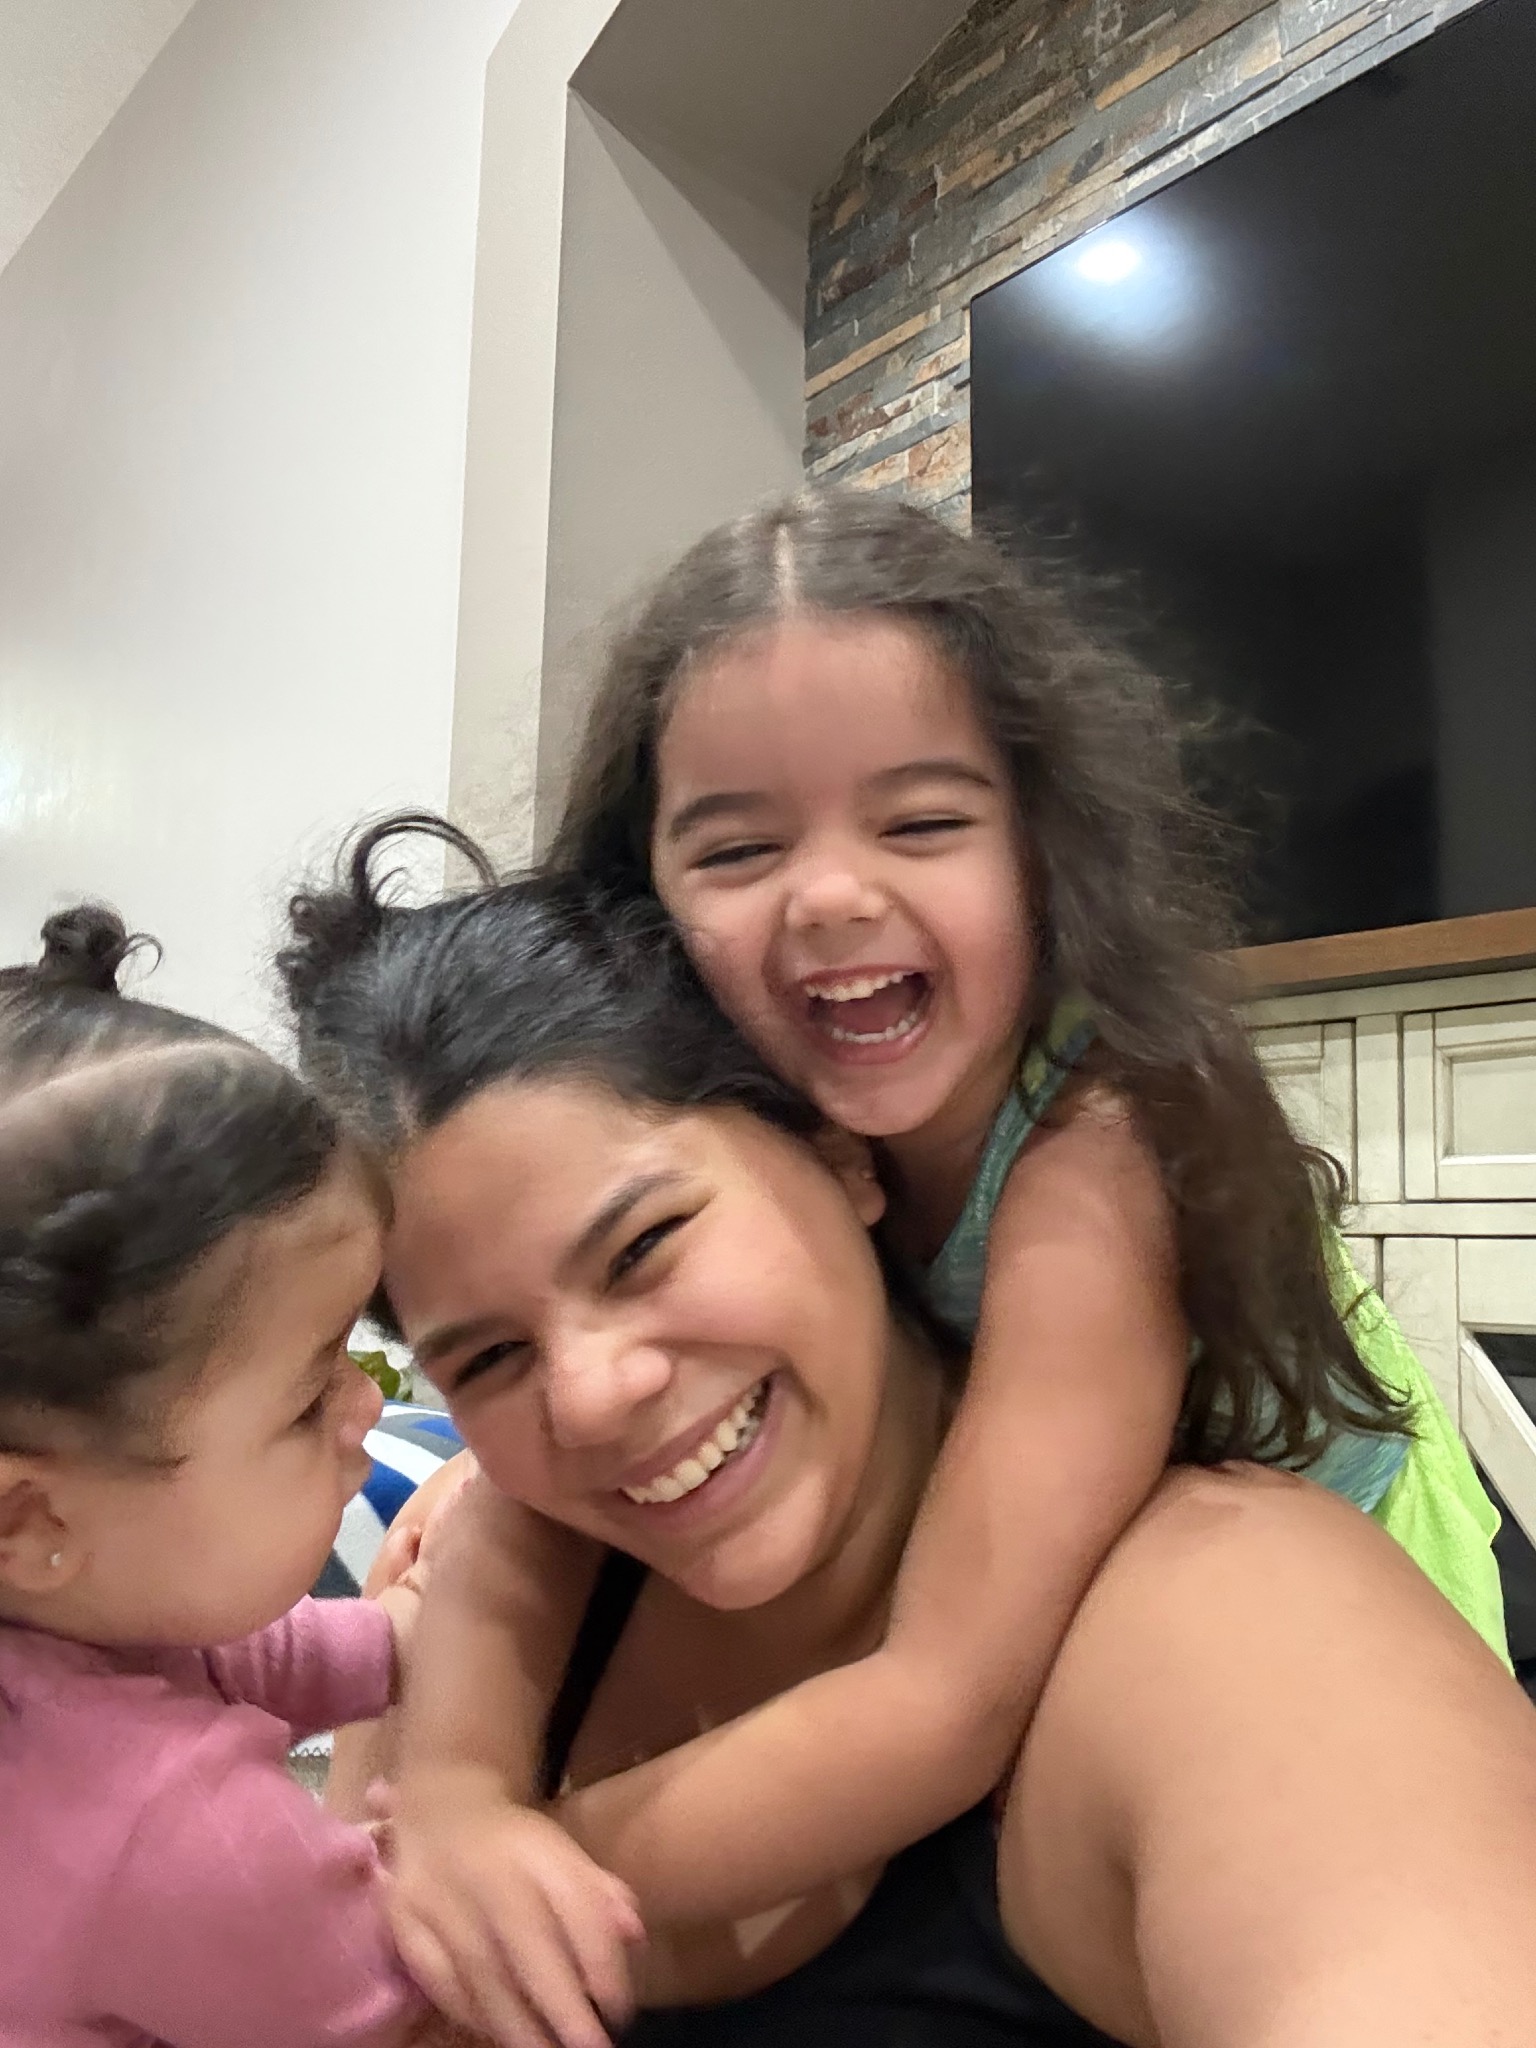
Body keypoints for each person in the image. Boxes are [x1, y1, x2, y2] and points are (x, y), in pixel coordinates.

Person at [369, 496, 1507, 2027]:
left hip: (1338, 1558)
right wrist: (450, 1800)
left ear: (1042, 847)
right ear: (639, 912)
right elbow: (536, 1509)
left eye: (920, 823)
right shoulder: (783, 1113)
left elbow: (944, 1697)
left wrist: (522, 1883)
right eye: (740, 846)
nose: (832, 893)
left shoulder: (1098, 1152)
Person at [0, 906, 473, 2047]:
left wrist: (402, 1628)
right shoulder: (187, 1834)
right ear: (28, 1515)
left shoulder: (65, 1626)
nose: (368, 1405)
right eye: (310, 1398)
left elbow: (221, 1653)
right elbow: (438, 2007)